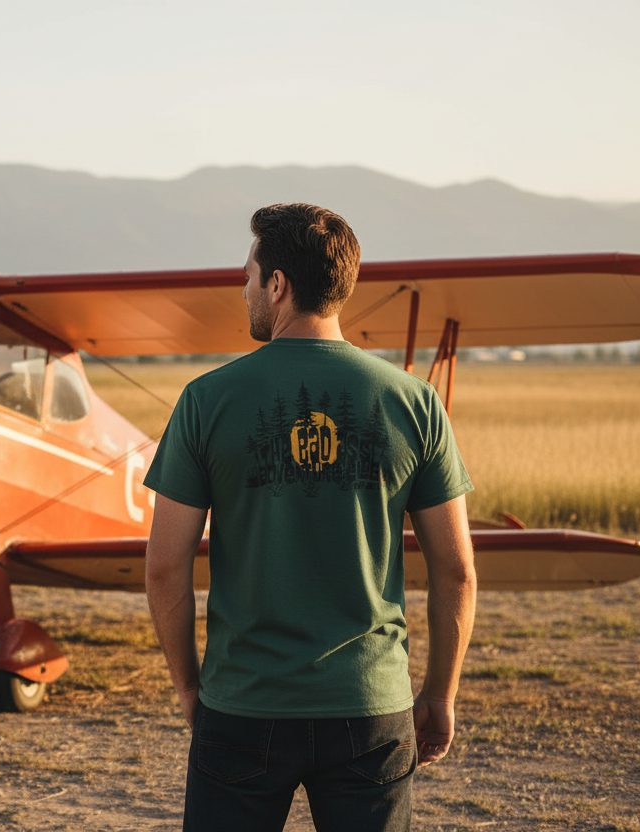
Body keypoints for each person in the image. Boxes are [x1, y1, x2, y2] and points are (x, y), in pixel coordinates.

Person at [144, 203, 477, 831]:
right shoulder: (417, 403)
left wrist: (190, 687)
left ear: (278, 285)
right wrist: (439, 695)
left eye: (248, 276)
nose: (244, 290)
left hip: (242, 703)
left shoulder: (204, 400)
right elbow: (456, 572)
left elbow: (165, 567)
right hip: (371, 706)